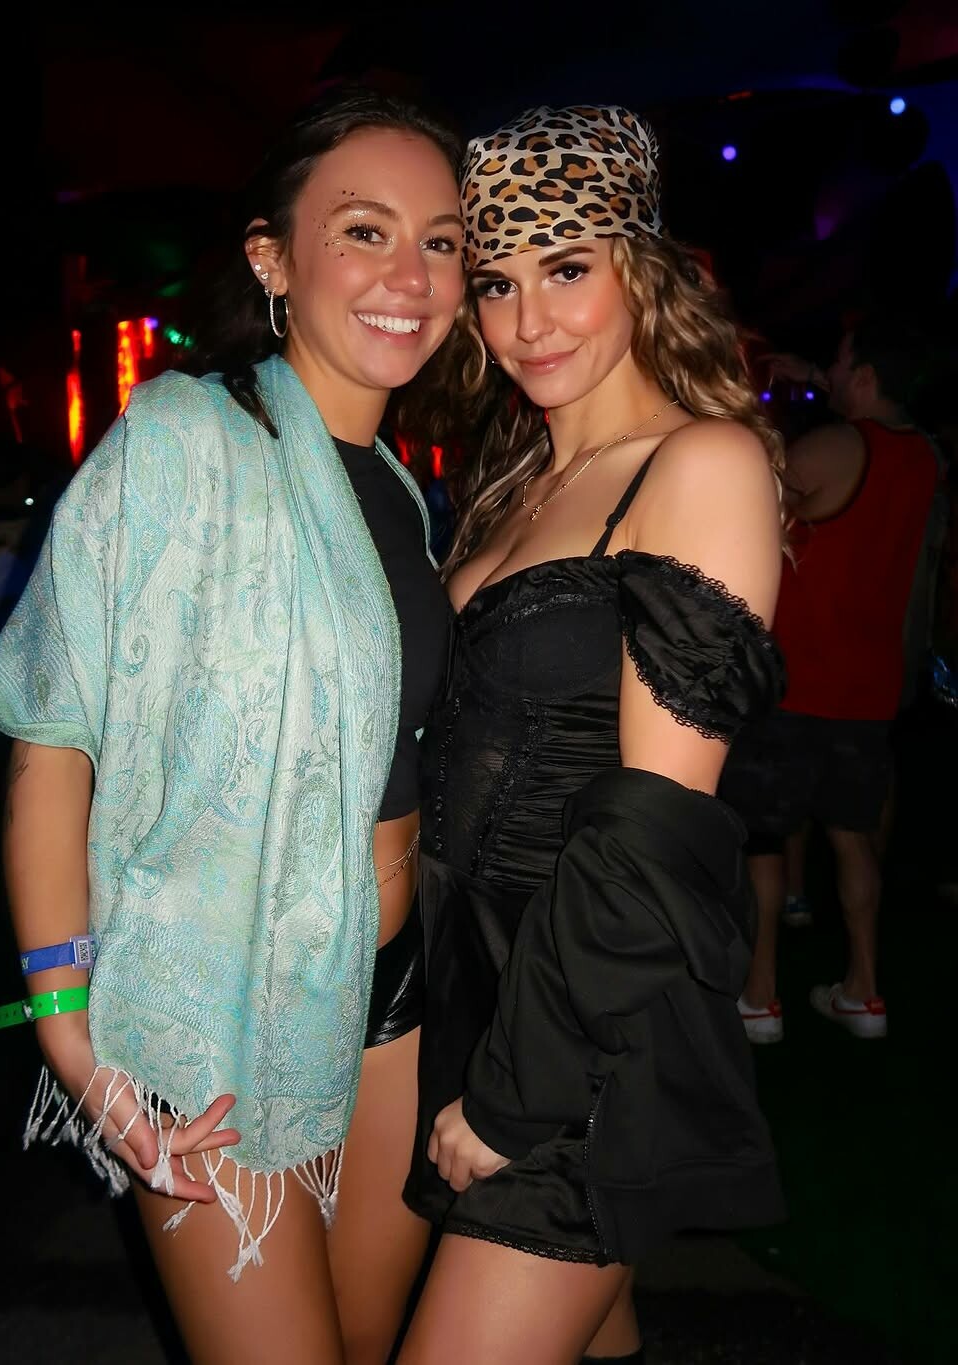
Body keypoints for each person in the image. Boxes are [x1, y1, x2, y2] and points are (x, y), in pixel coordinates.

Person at [0, 86, 464, 1364]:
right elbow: (52, 740)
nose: (410, 276)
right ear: (273, 259)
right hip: (214, 1009)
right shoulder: (182, 440)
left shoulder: (399, 489)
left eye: (441, 240)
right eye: (364, 232)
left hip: (398, 997)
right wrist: (70, 1031)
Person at [393, 105, 787, 1365]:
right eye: (497, 282)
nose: (529, 321)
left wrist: (523, 1092)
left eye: (567, 268)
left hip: (584, 1026)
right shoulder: (517, 481)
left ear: (643, 267)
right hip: (474, 980)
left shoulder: (702, 462)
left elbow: (655, 828)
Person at [723, 317, 943, 1043]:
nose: (834, 371)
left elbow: (744, 496)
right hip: (868, 687)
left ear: (867, 376)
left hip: (797, 681)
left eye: (843, 363)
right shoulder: (925, 457)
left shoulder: (838, 446)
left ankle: (760, 998)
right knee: (853, 839)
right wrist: (816, 379)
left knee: (762, 841)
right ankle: (864, 993)